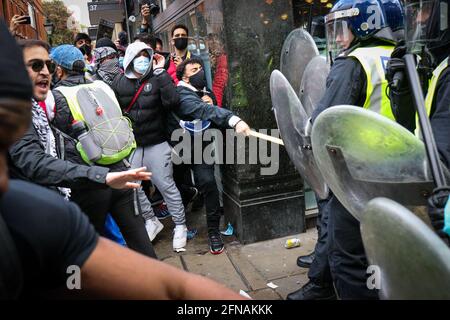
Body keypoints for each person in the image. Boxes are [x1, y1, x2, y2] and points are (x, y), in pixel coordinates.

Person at [0, 18, 245, 300]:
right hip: (100, 179)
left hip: (102, 180)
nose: (44, 72)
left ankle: (176, 227)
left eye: (47, 65)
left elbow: (169, 284)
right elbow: (34, 161)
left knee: (87, 270)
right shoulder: (80, 95)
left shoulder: (47, 214)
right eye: (34, 66)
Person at [287, 0, 401, 300]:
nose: (337, 38)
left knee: (348, 258)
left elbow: (325, 120)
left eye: (343, 28)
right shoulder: (400, 56)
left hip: (356, 174)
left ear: (366, 24)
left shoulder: (352, 62)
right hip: (398, 172)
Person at [48, 44, 157, 258]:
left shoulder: (55, 97)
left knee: (87, 249)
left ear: (59, 70)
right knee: (139, 240)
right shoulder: (102, 87)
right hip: (121, 171)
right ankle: (161, 287)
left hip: (89, 182)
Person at [111, 41, 188, 251]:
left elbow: (172, 102)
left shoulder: (157, 77)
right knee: (133, 187)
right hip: (132, 145)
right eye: (139, 56)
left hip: (157, 142)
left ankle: (180, 225)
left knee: (165, 184)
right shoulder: (119, 81)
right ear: (130, 58)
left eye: (147, 55)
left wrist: (162, 72)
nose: (143, 60)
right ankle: (150, 219)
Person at [170, 58, 251, 254]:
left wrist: (212, 101)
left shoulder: (204, 91)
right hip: (179, 146)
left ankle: (213, 232)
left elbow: (212, 110)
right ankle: (180, 225)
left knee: (208, 183)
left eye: (200, 68)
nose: (200, 72)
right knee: (178, 186)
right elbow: (203, 110)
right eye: (194, 70)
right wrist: (233, 120)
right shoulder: (181, 94)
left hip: (201, 147)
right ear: (184, 77)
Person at [388, 0, 450, 244]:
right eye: (415, 11)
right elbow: (415, 126)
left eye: (426, 9)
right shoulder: (437, 65)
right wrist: (402, 93)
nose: (420, 19)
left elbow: (442, 155)